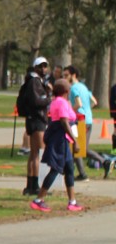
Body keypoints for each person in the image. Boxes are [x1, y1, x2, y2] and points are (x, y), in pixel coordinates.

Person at [30, 77, 83, 214]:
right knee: (56, 169)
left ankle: (72, 201)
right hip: (60, 140)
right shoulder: (61, 103)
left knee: (69, 169)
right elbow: (64, 122)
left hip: (62, 139)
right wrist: (75, 141)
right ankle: (38, 199)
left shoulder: (57, 101)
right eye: (69, 88)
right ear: (66, 90)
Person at [16, 57, 51, 196]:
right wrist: (49, 99)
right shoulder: (34, 82)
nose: (43, 69)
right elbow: (36, 101)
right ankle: (35, 186)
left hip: (33, 120)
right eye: (40, 66)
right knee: (39, 153)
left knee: (34, 153)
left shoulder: (35, 81)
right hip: (37, 120)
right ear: (35, 68)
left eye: (45, 66)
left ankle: (30, 186)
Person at [66, 65, 97, 180]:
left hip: (80, 119)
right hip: (88, 119)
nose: (65, 78)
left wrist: (69, 111)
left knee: (77, 146)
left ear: (73, 75)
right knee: (82, 147)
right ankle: (104, 162)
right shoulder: (83, 86)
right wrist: (87, 110)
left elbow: (78, 104)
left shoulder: (74, 88)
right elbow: (94, 102)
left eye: (66, 75)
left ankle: (83, 174)